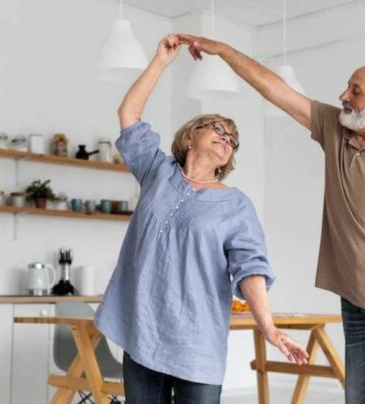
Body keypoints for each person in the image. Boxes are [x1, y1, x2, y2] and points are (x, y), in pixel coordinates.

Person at [94, 33, 308, 404]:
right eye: (218, 129)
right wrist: (160, 62)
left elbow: (250, 267)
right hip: (143, 330)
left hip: (197, 342)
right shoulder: (157, 173)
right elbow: (129, 115)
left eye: (233, 140)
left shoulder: (236, 205)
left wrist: (269, 327)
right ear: (191, 137)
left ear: (229, 159)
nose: (227, 138)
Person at [178, 33, 365, 404]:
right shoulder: (336, 129)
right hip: (355, 302)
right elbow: (276, 90)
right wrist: (224, 51)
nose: (343, 95)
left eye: (355, 91)